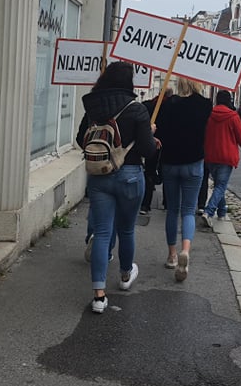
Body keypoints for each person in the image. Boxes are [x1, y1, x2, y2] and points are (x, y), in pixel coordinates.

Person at [77, 62, 159, 314]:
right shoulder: (137, 109)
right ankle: (125, 275)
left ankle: (98, 296)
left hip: (99, 176)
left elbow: (81, 139)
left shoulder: (93, 107)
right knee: (126, 229)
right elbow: (147, 150)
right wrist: (151, 134)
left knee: (102, 233)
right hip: (130, 176)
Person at [154, 76, 212, 282]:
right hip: (194, 162)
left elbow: (159, 131)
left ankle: (171, 255)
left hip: (170, 163)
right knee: (188, 211)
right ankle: (185, 251)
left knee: (173, 210)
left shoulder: (168, 104)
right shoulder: (205, 105)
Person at [202, 90, 241, 225]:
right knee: (221, 186)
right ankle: (209, 211)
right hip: (226, 155)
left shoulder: (209, 115)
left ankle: (222, 212)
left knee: (219, 184)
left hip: (211, 155)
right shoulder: (233, 116)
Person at [140, 88, 173, 214]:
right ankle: (167, 202)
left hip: (151, 142)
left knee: (149, 172)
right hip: (166, 145)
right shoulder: (171, 108)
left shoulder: (148, 105)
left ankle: (145, 204)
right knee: (166, 174)